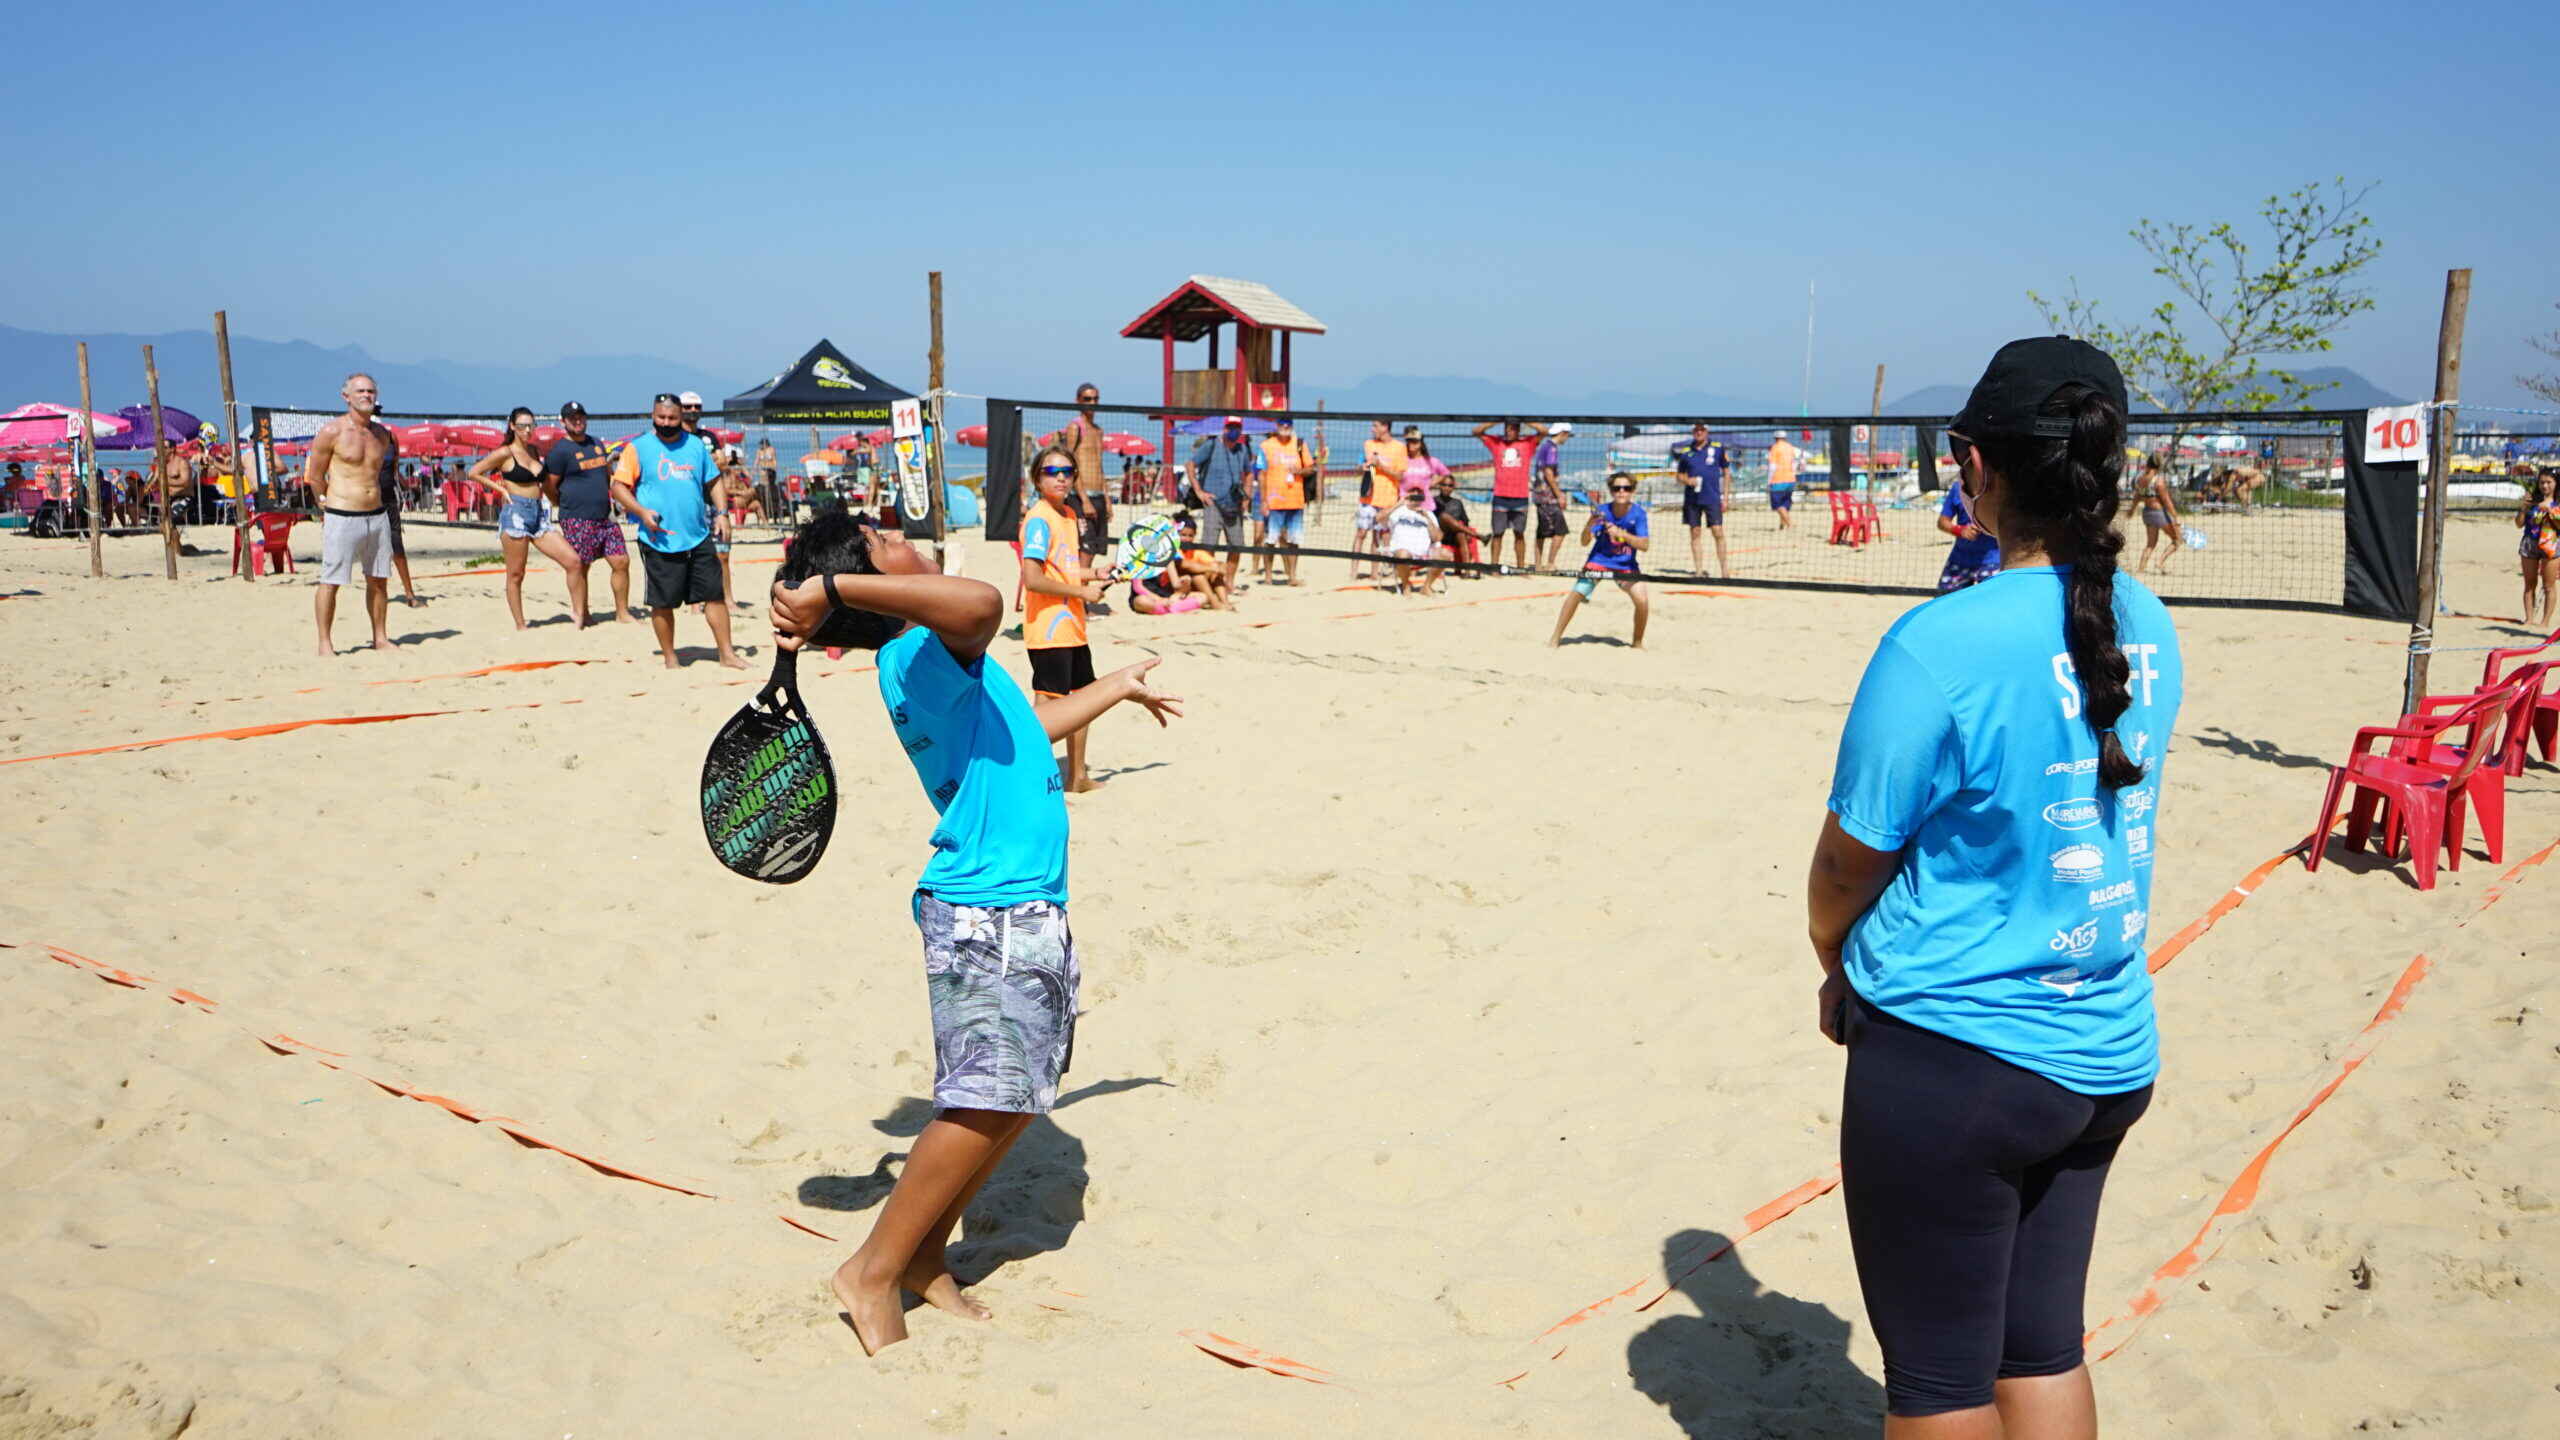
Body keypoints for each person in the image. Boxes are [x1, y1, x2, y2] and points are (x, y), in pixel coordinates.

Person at [1809, 337, 2180, 1438]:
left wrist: (1838, 964)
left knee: (1938, 1384)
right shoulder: (2146, 620)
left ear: (1973, 463)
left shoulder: (1940, 640)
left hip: (1956, 1057)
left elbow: (1846, 863)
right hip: (2107, 1046)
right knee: (2040, 1350)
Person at [762, 509, 1180, 1358]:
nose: (902, 540)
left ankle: (919, 1258)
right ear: (871, 577)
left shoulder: (931, 660)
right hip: (989, 905)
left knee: (1018, 1097)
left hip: (1021, 898)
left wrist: (1116, 688)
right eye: (884, 541)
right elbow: (984, 601)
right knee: (987, 1097)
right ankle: (871, 1271)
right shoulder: (921, 650)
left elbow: (1023, 743)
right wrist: (835, 585)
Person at [611, 393, 745, 669]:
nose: (666, 422)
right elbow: (618, 487)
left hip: (698, 535)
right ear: (653, 416)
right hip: (658, 538)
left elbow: (714, 482)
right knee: (663, 603)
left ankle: (727, 654)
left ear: (681, 417)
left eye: (672, 418)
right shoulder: (638, 448)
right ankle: (671, 658)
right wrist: (641, 512)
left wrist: (722, 514)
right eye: (661, 417)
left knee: (715, 595)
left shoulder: (695, 446)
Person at [1020, 444, 1112, 792]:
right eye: (1051, 471)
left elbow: (1066, 571)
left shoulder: (1069, 515)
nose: (1060, 477)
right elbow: (1032, 579)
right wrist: (1082, 593)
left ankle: (1077, 777)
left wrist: (1094, 574)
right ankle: (1024, 779)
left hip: (1072, 627)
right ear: (1037, 478)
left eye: (1067, 472)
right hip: (1048, 628)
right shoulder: (1040, 519)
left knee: (1084, 699)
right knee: (1045, 711)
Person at [305, 373, 399, 655]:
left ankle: (380, 637)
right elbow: (315, 475)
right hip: (342, 513)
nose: (366, 396)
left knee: (379, 579)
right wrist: (323, 504)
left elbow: (382, 472)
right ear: (346, 396)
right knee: (332, 580)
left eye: (371, 391)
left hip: (376, 514)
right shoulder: (332, 432)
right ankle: (325, 643)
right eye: (360, 391)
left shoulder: (382, 435)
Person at [468, 407, 581, 630]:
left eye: (531, 425)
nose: (528, 430)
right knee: (516, 573)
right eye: (522, 426)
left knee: (573, 561)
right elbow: (474, 472)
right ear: (512, 426)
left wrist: (558, 499)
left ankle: (579, 616)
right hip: (516, 513)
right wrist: (500, 489)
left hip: (539, 513)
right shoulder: (505, 452)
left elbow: (545, 482)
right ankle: (521, 624)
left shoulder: (533, 449)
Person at [543, 401, 633, 627]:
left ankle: (622, 613)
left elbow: (605, 474)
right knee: (581, 565)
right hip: (577, 517)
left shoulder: (597, 444)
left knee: (621, 561)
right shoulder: (559, 452)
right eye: (572, 418)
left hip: (604, 515)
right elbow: (549, 486)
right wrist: (562, 505)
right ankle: (583, 612)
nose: (577, 420)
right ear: (563, 421)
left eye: (580, 416)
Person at [1548, 471, 1649, 648]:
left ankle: (1637, 643)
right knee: (1576, 595)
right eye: (1617, 488)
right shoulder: (1602, 511)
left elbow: (1645, 545)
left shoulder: (1639, 513)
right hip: (1599, 561)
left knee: (1642, 600)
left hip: (1625, 565)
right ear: (1611, 491)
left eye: (1627, 488)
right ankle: (1555, 638)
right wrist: (1589, 525)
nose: (1622, 492)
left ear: (1632, 490)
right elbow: (1584, 541)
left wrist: (1621, 534)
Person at [1185, 417, 1260, 588]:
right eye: (1231, 427)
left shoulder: (1242, 449)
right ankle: (1208, 580)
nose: (1234, 431)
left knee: (1236, 545)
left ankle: (1229, 581)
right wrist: (1199, 491)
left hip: (1234, 504)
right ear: (1224, 428)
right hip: (1213, 503)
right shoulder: (1211, 445)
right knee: (1209, 545)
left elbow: (1249, 473)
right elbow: (1190, 464)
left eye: (1237, 428)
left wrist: (1247, 497)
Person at [1471, 417, 1546, 573]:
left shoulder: (1527, 443)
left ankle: (1520, 568)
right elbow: (1476, 431)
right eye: (1507, 428)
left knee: (1519, 534)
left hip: (1521, 497)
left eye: (1512, 428)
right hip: (1501, 496)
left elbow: (1544, 431)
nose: (1508, 431)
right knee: (1498, 534)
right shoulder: (1497, 443)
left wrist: (1525, 420)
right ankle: (1494, 567)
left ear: (1518, 430)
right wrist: (1497, 421)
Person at [1060, 383, 1113, 572]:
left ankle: (1080, 596)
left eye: (1096, 399)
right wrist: (1084, 500)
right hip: (1081, 497)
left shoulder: (1098, 430)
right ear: (1078, 401)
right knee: (1085, 548)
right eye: (1088, 399)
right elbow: (1071, 464)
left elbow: (1099, 466)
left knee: (1094, 549)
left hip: (1098, 494)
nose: (1093, 403)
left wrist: (1107, 500)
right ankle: (1078, 597)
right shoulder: (1075, 427)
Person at [1669, 423, 1732, 574]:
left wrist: (1726, 497)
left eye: (1701, 429)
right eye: (1696, 430)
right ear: (1692, 432)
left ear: (1707, 431)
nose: (1699, 432)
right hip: (1692, 499)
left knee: (1718, 531)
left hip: (1712, 497)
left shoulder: (1717, 448)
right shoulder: (1686, 452)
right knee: (1695, 532)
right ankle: (1698, 571)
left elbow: (1726, 472)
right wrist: (1687, 481)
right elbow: (1679, 475)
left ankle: (1724, 570)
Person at [1258, 417, 1312, 586]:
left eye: (1288, 425)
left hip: (1295, 500)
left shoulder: (1300, 443)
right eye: (1282, 424)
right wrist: (1263, 500)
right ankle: (1268, 576)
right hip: (1274, 501)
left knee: (1294, 541)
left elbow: (1311, 468)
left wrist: (1300, 471)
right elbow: (1261, 474)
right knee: (1270, 540)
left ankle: (1292, 576)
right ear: (1277, 426)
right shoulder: (1266, 446)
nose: (1285, 427)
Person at [1356, 419, 1406, 582]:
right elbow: (1360, 465)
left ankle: (1374, 572)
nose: (1372, 429)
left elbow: (1400, 475)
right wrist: (1361, 467)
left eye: (1375, 426)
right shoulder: (1368, 444)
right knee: (1361, 533)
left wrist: (1381, 466)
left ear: (1385, 427)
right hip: (1368, 496)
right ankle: (1353, 572)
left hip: (1388, 498)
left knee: (1379, 536)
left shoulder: (1399, 448)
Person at [1934, 478, 2001, 593]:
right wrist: (1960, 530)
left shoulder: (1999, 487)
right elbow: (1942, 522)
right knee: (1944, 600)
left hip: (1992, 559)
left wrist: (1988, 526)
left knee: (1992, 603)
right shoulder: (1958, 487)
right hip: (1960, 558)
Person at [2516, 469, 2560, 630]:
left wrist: (2550, 510)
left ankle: (2545, 621)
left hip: (2551, 543)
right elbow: (2518, 524)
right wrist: (2524, 508)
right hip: (2529, 542)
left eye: (2549, 482)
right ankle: (2528, 619)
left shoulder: (2557, 502)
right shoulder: (2533, 501)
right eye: (2542, 482)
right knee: (2529, 584)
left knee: (2549, 585)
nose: (2545, 486)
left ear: (2556, 483)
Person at [1382, 483, 1445, 595]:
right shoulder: (1398, 511)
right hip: (1401, 551)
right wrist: (1399, 504)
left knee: (1446, 554)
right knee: (1403, 554)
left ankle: (1426, 587)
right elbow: (1378, 518)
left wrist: (1427, 518)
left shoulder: (1428, 514)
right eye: (1413, 494)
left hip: (1423, 552)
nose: (1415, 496)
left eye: (1418, 495)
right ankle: (1406, 586)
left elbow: (1438, 537)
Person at [2130, 453, 2179, 573]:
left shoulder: (2140, 479)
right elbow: (2166, 501)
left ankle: (2141, 569)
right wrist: (2176, 517)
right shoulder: (2159, 481)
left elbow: (2137, 497)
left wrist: (2132, 510)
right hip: (2159, 513)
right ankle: (2160, 562)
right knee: (2177, 540)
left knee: (2150, 544)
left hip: (2147, 513)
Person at [1534, 422, 1573, 570]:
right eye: (1567, 435)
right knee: (1561, 531)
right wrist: (1560, 495)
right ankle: (1550, 563)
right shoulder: (1551, 448)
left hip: (1540, 495)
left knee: (1542, 531)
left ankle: (1538, 564)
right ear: (1563, 433)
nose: (1567, 438)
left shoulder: (1544, 446)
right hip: (1547, 497)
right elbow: (1548, 473)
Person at [1434, 471, 1485, 575]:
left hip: (1455, 535)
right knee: (1444, 517)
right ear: (1439, 485)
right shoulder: (1434, 501)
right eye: (1444, 485)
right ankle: (1478, 536)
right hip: (1440, 534)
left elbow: (1465, 521)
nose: (1447, 488)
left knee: (1461, 534)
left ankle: (1466, 570)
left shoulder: (1457, 502)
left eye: (1450, 485)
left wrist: (1467, 533)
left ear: (1453, 488)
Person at [1768, 430, 1802, 539]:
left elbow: (1772, 466)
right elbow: (1796, 463)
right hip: (1790, 479)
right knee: (1785, 504)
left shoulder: (1775, 448)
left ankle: (1790, 524)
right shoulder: (1790, 447)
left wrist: (1769, 480)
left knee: (1777, 505)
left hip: (1778, 479)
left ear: (1775, 438)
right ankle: (1782, 525)